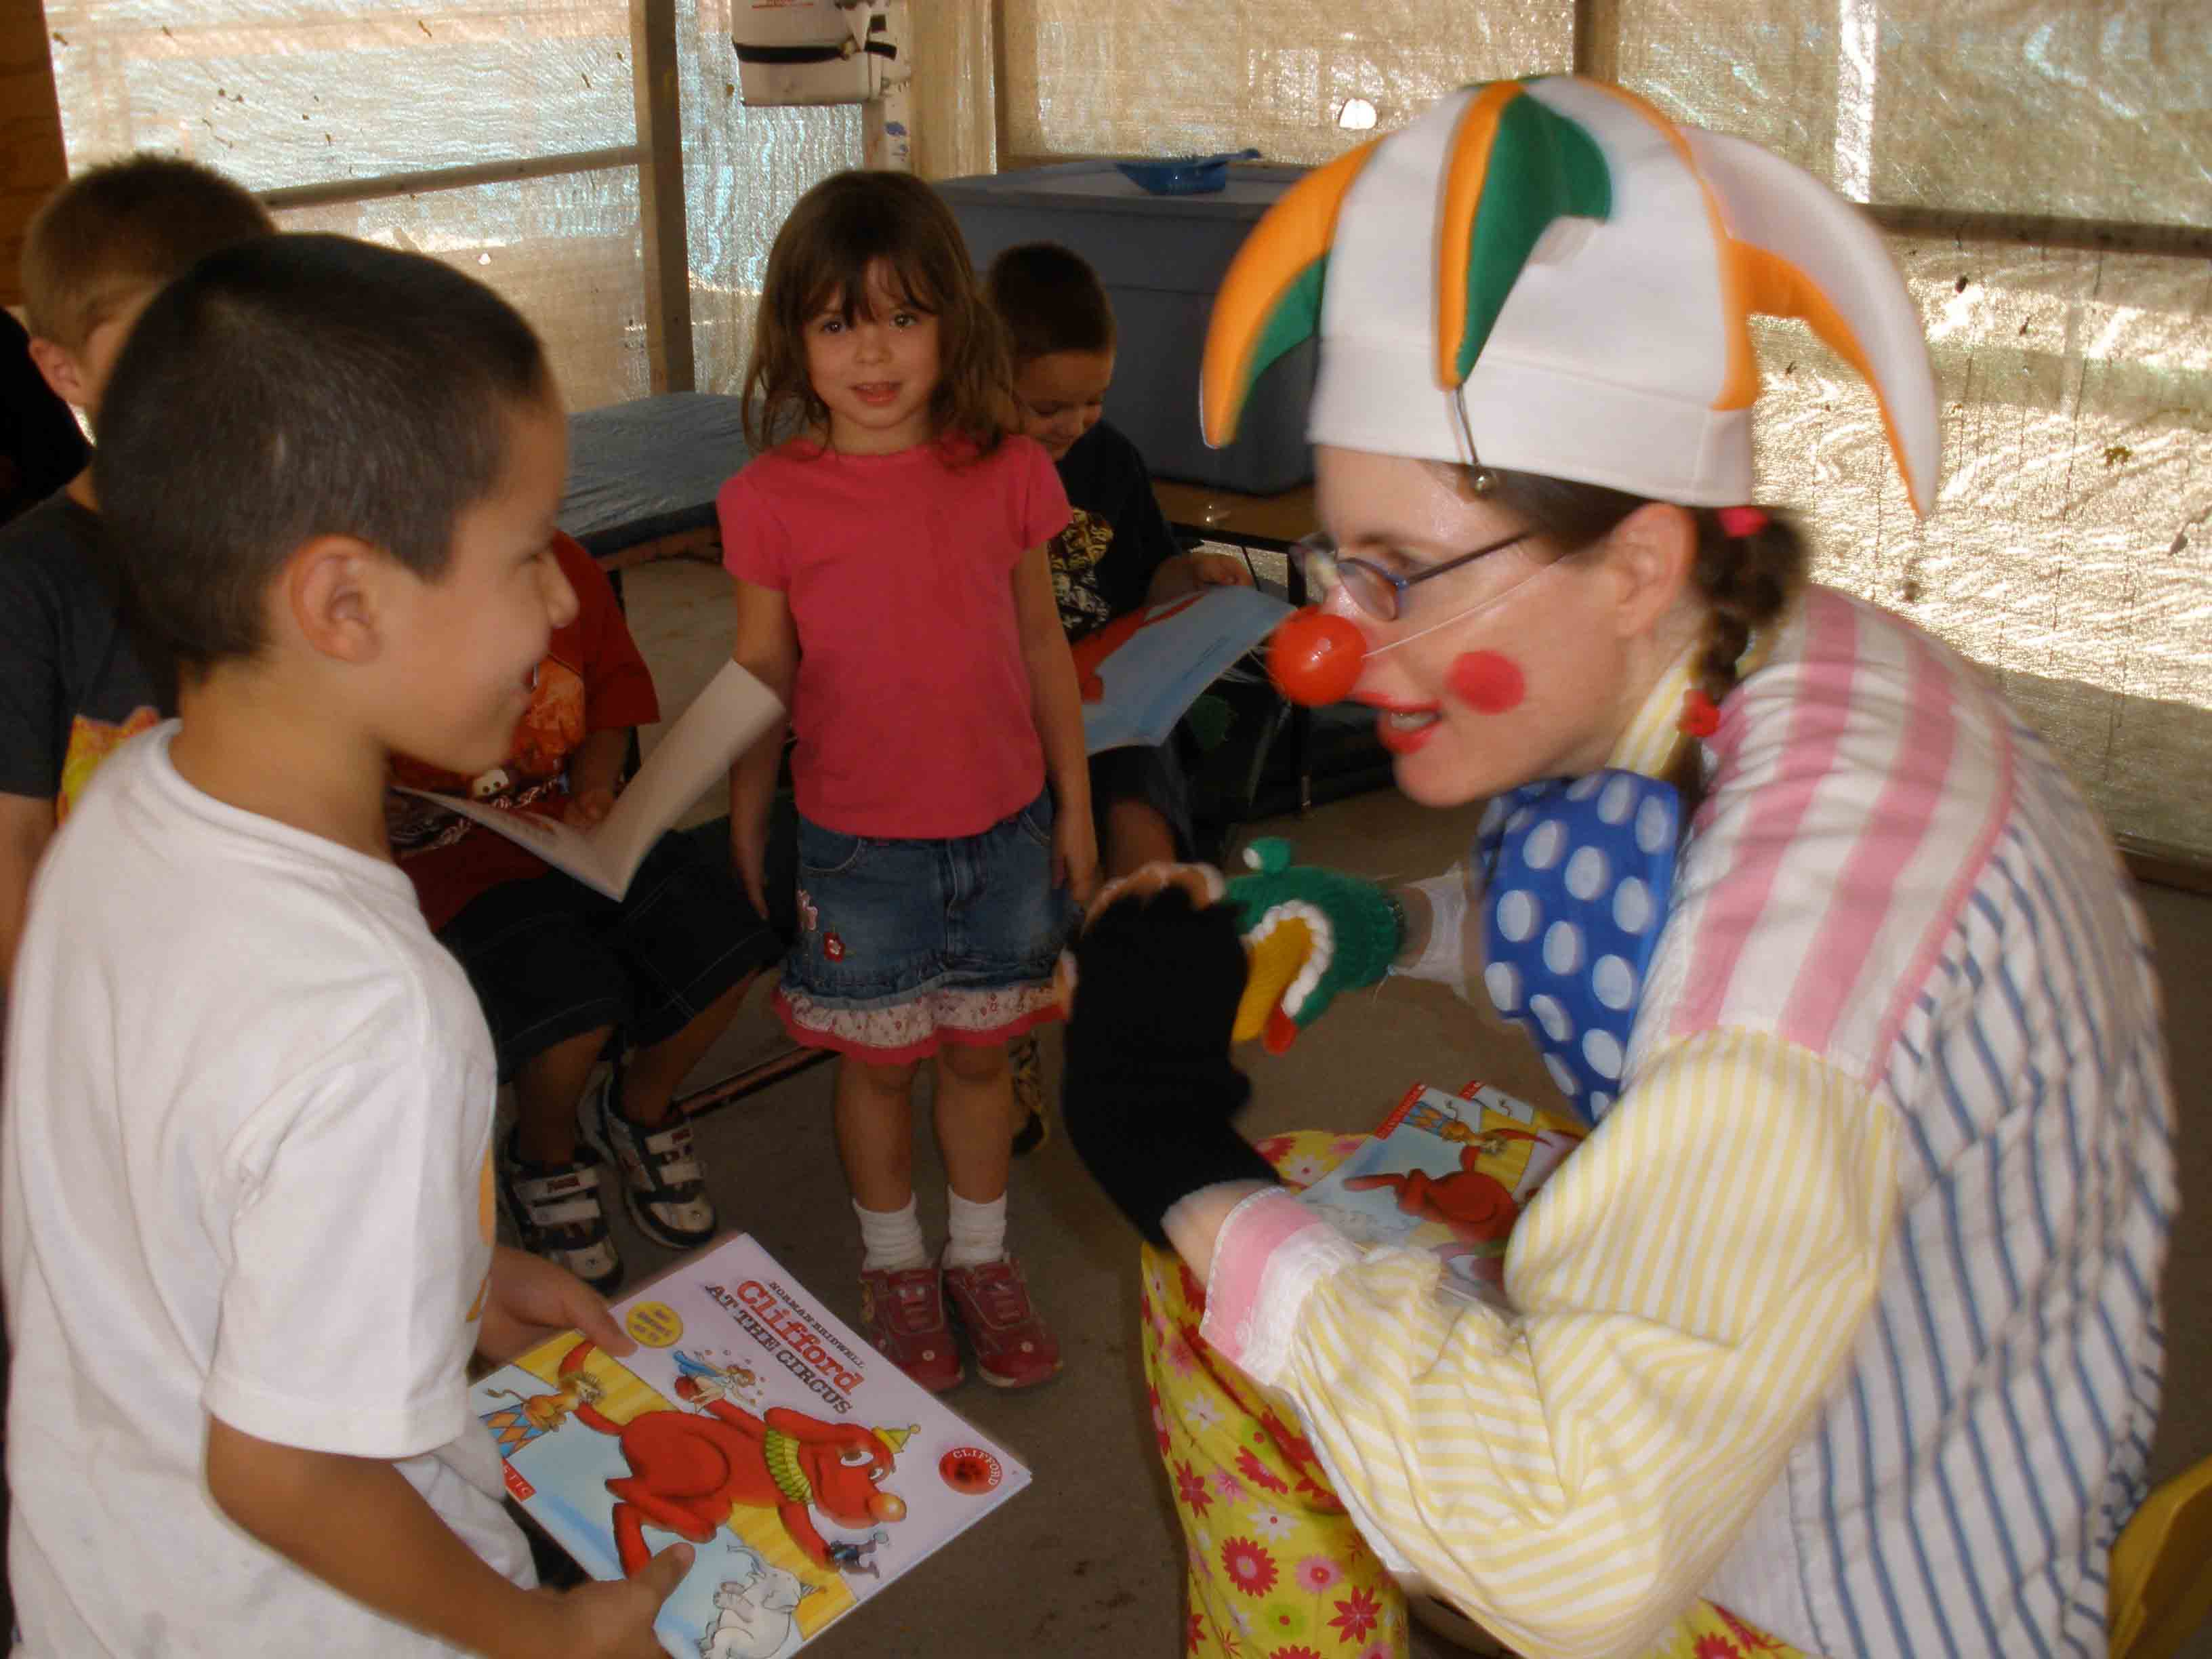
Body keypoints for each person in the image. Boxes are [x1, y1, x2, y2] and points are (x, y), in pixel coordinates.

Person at [1059, 77, 2173, 1659]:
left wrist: (1168, 1145)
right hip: (1905, 1344)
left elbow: (1574, 1561)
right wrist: (1388, 926)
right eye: (1331, 561)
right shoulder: (1770, 652)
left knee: (1222, 1285)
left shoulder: (1783, 988)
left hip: (1845, 1576)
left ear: (1639, 554)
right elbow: (1630, 909)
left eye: (1398, 576)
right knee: (1312, 1216)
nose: (1321, 648)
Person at [1, 233, 690, 1655]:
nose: (569, 602)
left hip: (102, 1583)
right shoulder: (381, 1016)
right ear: (343, 602)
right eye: (528, 557)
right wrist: (540, 1636)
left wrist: (443, 1270)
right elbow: (287, 1471)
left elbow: (173, 1191)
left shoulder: (128, 796)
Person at [720, 171, 1096, 1396]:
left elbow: (1043, 645)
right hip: (854, 846)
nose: (871, 352)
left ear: (954, 326)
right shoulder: (766, 500)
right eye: (837, 322)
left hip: (1001, 831)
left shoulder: (1006, 475)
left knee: (982, 1059)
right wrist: (743, 807)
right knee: (874, 1065)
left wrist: (1076, 803)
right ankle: (894, 1265)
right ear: (793, 339)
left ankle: (979, 1255)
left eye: (902, 315)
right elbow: (759, 671)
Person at [388, 529, 781, 1295]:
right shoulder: (381, 604)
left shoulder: (562, 565)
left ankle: (637, 1108)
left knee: (726, 938)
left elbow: (609, 695)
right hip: (456, 880)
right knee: (573, 1005)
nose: (556, 586)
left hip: (582, 834)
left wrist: (599, 781)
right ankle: (544, 1152)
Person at [985, 241, 1257, 1153]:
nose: (1075, 421)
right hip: (1009, 719)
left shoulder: (1109, 460)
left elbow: (1149, 576)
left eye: (1093, 399)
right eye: (1047, 405)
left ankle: (1138, 1004)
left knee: (1138, 797)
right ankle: (1023, 1023)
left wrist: (1193, 575)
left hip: (1115, 702)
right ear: (986, 378)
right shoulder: (966, 482)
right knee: (1026, 846)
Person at [0, 155, 274, 998]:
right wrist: (44, 1058)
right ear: (64, 373)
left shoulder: (284, 532)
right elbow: (17, 843)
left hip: (271, 965)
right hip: (120, 994)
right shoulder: (28, 580)